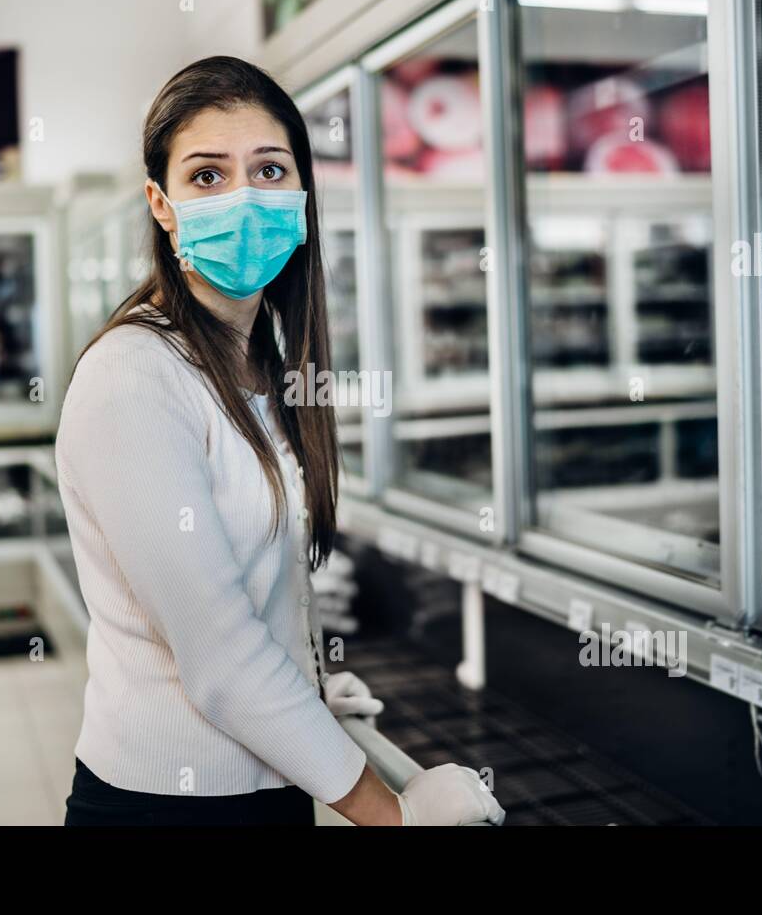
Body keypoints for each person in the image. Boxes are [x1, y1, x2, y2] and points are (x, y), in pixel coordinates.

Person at [55, 55, 505, 827]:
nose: (243, 197)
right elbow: (220, 655)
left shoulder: (262, 359)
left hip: (265, 790)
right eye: (206, 177)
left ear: (300, 195)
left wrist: (306, 687)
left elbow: (253, 588)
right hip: (168, 807)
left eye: (269, 170)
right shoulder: (133, 378)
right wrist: (396, 816)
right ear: (161, 205)